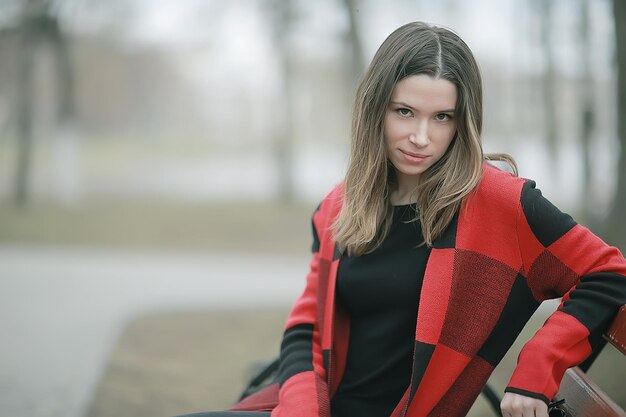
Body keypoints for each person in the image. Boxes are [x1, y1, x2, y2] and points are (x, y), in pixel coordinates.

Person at [177, 21, 626, 417]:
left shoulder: (501, 204)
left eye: (442, 117)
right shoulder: (341, 206)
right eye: (405, 112)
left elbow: (607, 274)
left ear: (462, 122)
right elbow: (305, 328)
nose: (420, 137)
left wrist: (537, 368)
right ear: (376, 109)